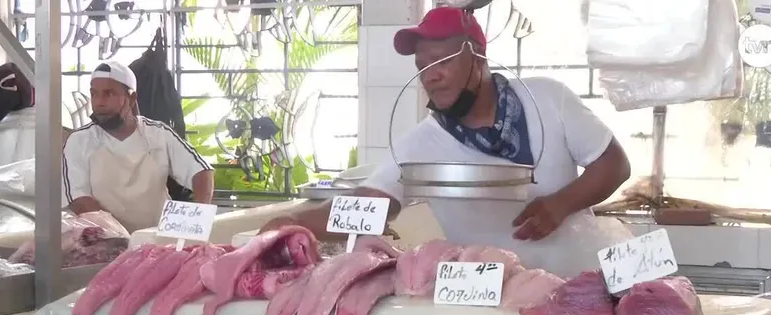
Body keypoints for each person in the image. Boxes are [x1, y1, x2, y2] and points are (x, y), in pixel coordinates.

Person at [260, 6, 631, 275]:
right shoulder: (419, 143)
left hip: (575, 283)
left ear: (478, 58)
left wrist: (560, 204)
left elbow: (614, 164)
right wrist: (293, 220)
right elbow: (370, 206)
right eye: (422, 67)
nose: (429, 76)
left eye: (441, 61)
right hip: (486, 295)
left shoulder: (548, 99)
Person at [62, 61, 215, 233]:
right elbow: (80, 200)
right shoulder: (79, 141)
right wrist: (122, 238)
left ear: (132, 98)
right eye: (94, 94)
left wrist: (199, 218)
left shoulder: (158, 133)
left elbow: (201, 171)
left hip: (158, 240)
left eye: (109, 94)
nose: (99, 103)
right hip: (108, 240)